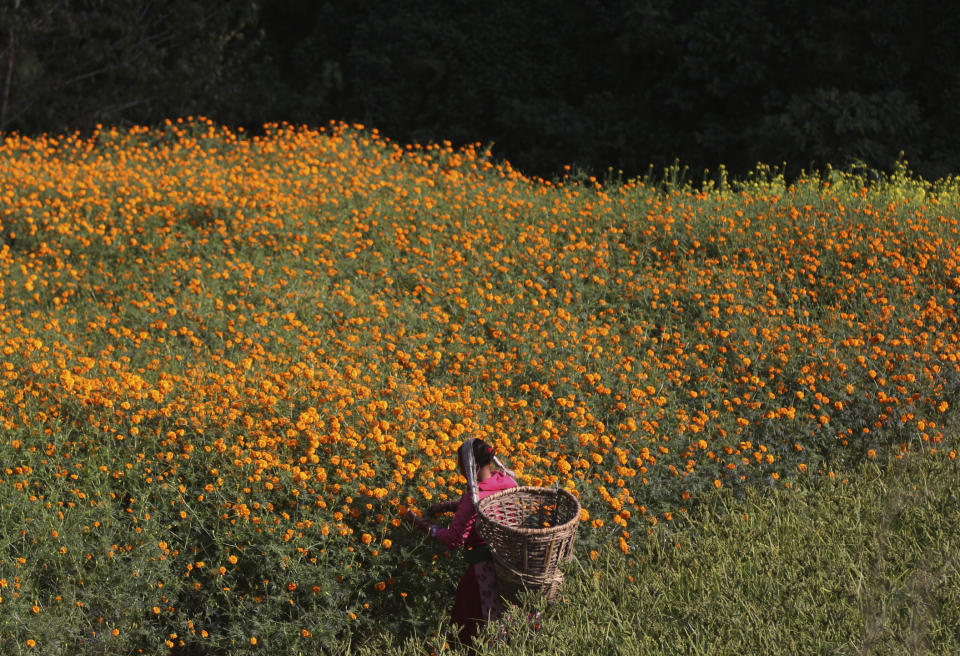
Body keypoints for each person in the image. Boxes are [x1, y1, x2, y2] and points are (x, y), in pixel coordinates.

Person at [405, 437, 517, 648]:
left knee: (473, 628)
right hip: (511, 565)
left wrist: (422, 525)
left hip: (484, 573)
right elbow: (485, 506)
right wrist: (449, 506)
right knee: (510, 621)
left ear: (469, 467)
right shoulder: (506, 482)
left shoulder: (471, 501)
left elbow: (454, 540)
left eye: (460, 464)